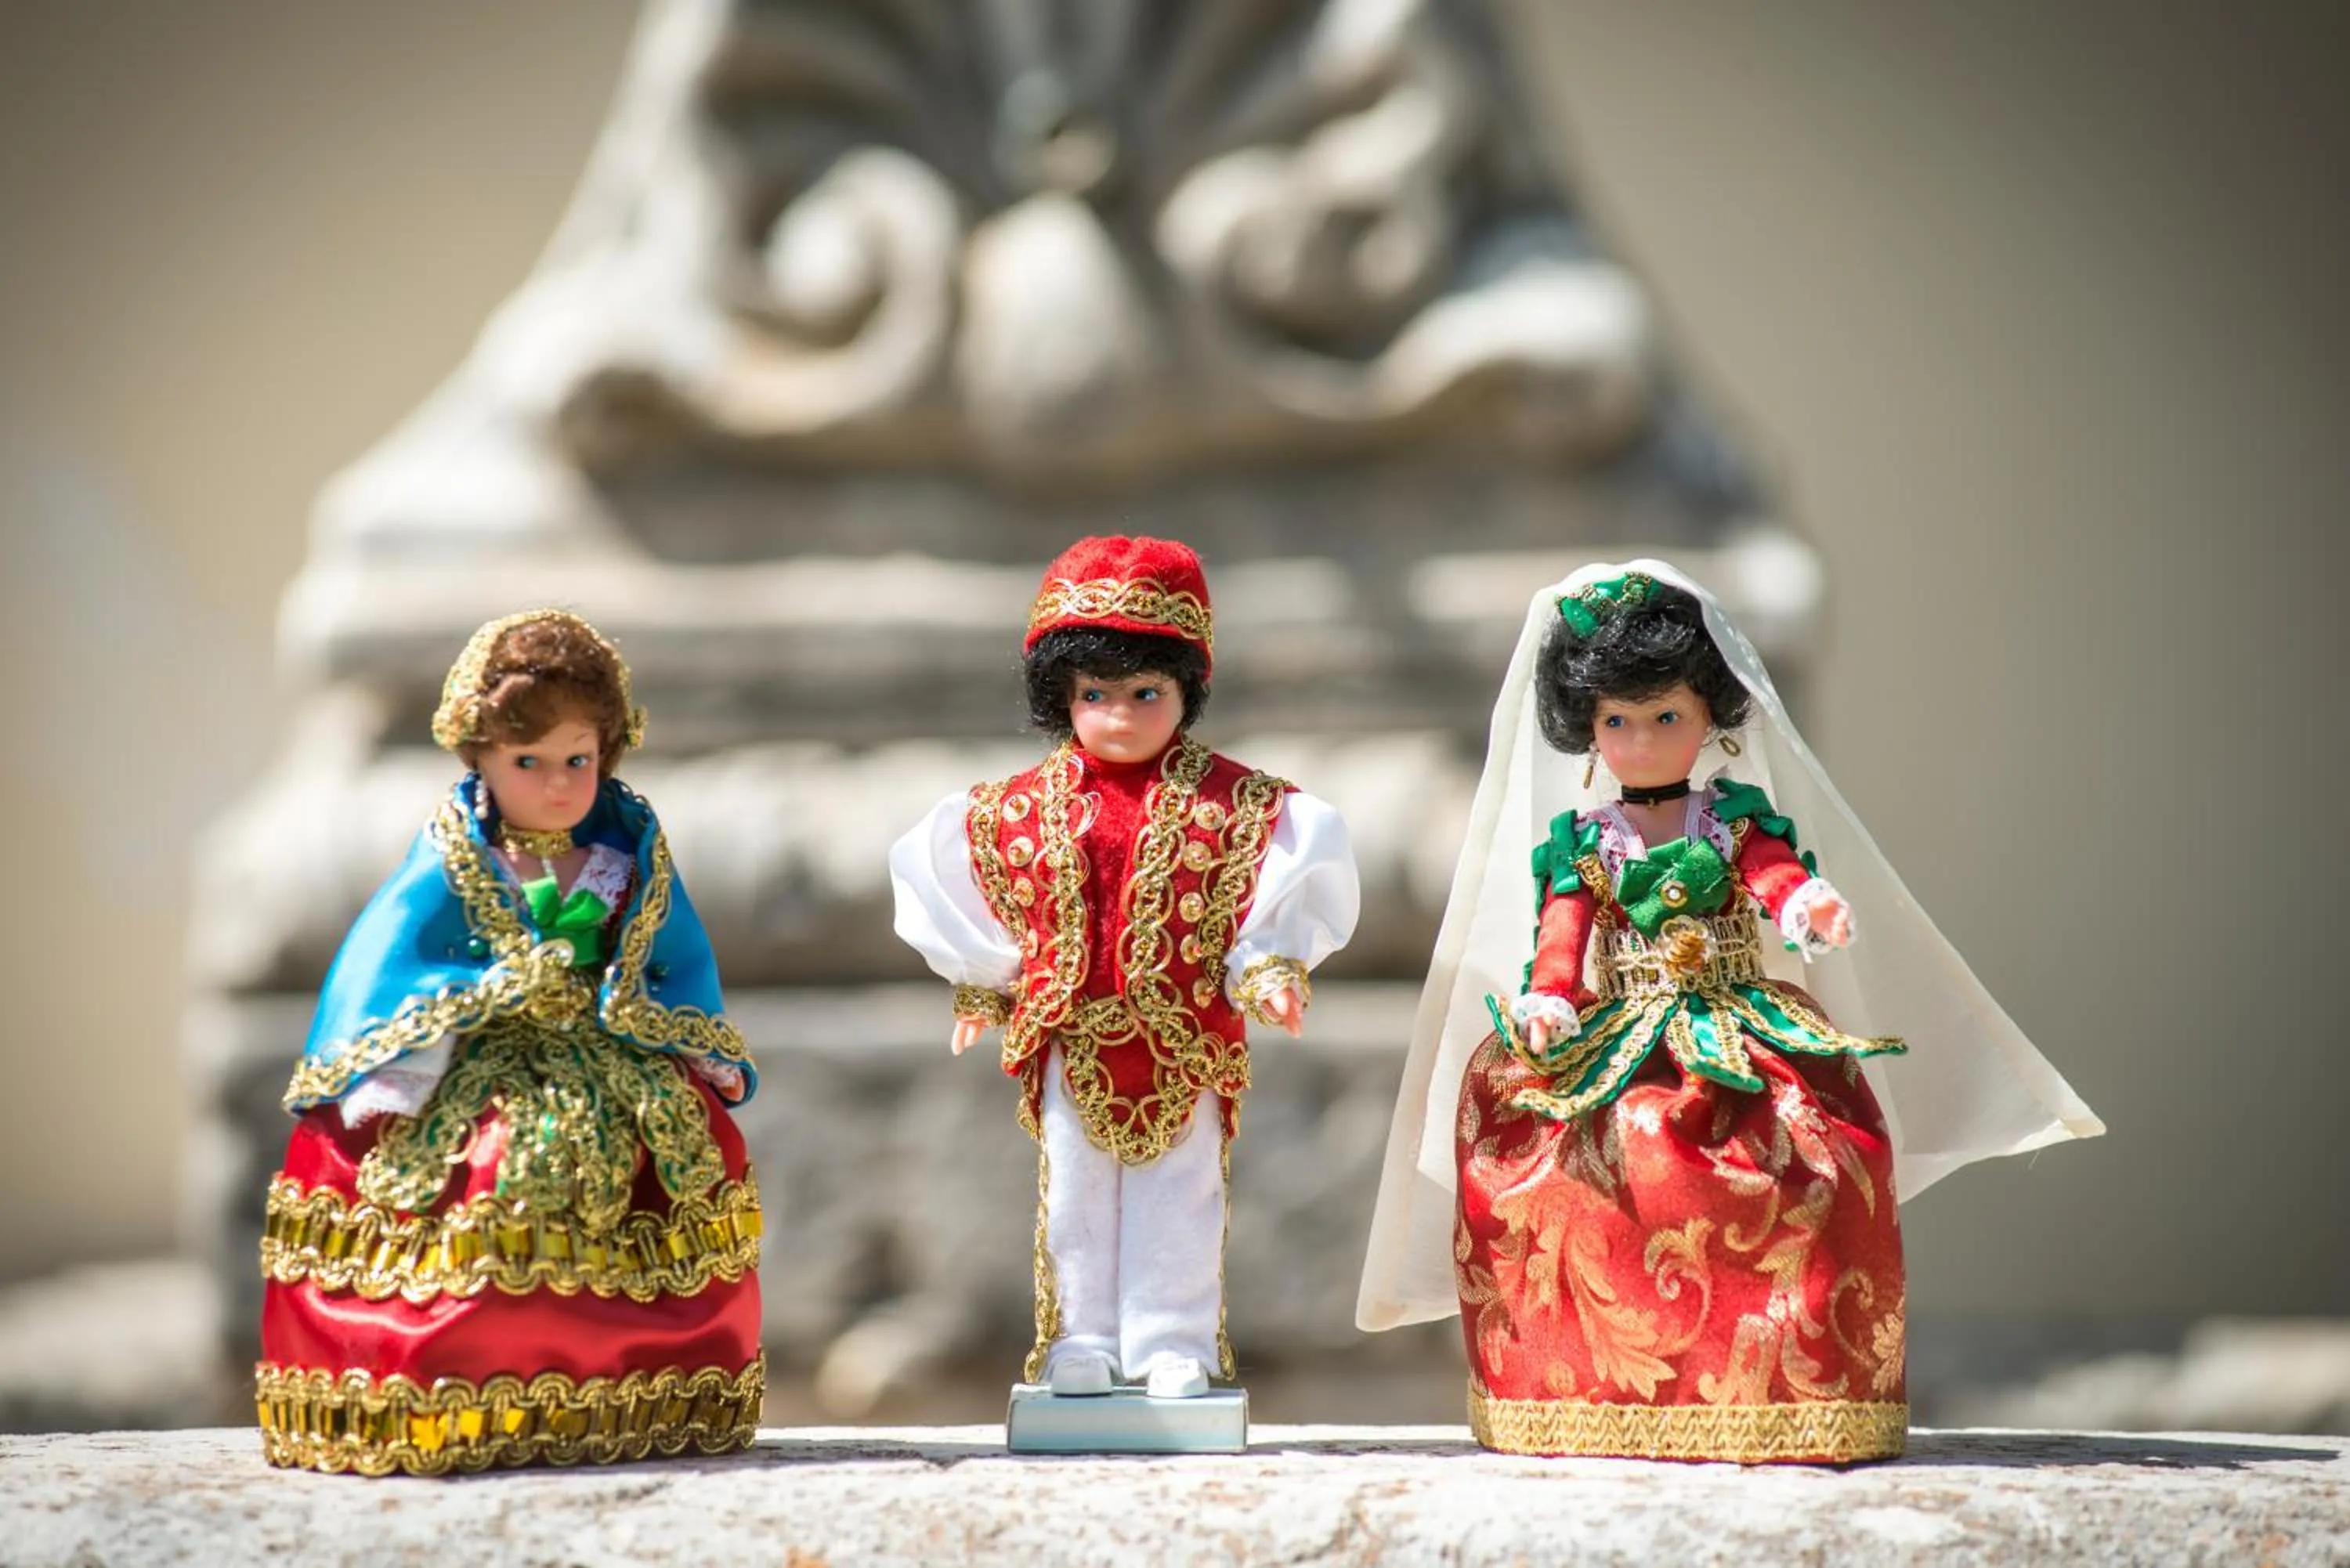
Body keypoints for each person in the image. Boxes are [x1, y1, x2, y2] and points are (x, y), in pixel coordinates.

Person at [1357, 560, 2102, 1462]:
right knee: (1584, 1175)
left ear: (1711, 715)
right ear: (1588, 731)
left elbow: (1775, 877)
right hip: (1618, 1032)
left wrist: (1803, 907)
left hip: (1739, 1026)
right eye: (1617, 722)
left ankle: (1797, 1382)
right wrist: (1550, 998)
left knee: (1799, 1160)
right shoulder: (1584, 845)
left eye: (1665, 716)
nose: (1641, 741)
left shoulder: (1734, 821)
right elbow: (1562, 935)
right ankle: (1589, 1384)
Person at [255, 609, 764, 1476]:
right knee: (468, 1207)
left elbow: (673, 959)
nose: (559, 785)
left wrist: (679, 1039)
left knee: (660, 1193)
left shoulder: (624, 855)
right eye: (529, 762)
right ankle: (449, 1389)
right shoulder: (458, 859)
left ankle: (643, 1382)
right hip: (480, 1067)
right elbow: (395, 959)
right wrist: (417, 1055)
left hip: (608, 1063)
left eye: (578, 759)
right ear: (481, 756)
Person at [891, 536, 1359, 1399]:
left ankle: (1172, 1338)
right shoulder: (1015, 809)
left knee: (1179, 1194)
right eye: (1094, 695)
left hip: (1186, 1040)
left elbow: (1270, 898)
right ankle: (1081, 1337)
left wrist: (1270, 970)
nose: (1118, 715)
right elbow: (986, 897)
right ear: (1060, 697)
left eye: (1146, 694)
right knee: (1074, 1197)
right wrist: (979, 980)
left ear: (1186, 690)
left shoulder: (1243, 806)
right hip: (1072, 1035)